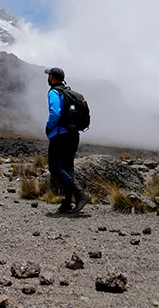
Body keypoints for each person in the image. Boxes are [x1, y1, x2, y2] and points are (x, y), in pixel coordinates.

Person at [44, 67, 90, 214]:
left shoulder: (54, 92)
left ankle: (80, 194)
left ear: (51, 77)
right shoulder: (69, 93)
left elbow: (55, 113)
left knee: (54, 167)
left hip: (60, 135)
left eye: (49, 75)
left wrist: (48, 127)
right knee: (68, 166)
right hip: (73, 135)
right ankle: (67, 203)